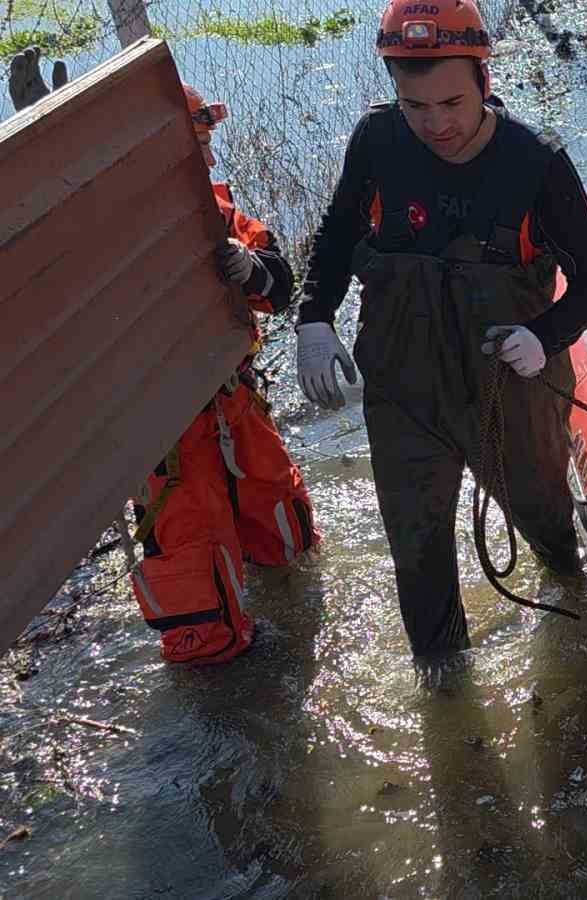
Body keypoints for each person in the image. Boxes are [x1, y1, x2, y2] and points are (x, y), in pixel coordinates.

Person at [293, 0, 587, 663]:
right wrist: (314, 318)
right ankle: (444, 685)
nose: (435, 122)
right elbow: (336, 239)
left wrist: (546, 336)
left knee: (548, 526)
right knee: (417, 548)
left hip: (510, 389)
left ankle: (580, 640)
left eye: (451, 102)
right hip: (404, 386)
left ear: (484, 82)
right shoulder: (377, 143)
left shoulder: (537, 165)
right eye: (415, 105)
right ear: (394, 93)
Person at [128, 83, 320, 665]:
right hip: (166, 440)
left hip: (235, 406)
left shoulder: (218, 215)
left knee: (290, 549)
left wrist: (250, 269)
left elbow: (281, 283)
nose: (211, 159)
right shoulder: (96, 247)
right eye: (200, 145)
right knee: (203, 622)